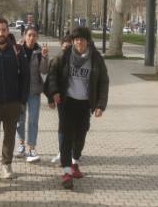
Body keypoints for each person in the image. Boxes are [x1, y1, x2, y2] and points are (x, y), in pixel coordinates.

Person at [45, 27, 109, 189]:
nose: (79, 42)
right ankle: (66, 171)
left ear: (87, 41)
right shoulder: (64, 55)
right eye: (76, 40)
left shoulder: (96, 58)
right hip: (67, 102)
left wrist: (100, 105)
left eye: (82, 39)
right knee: (66, 136)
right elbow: (52, 74)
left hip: (85, 104)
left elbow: (103, 81)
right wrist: (54, 93)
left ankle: (75, 162)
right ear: (72, 41)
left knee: (81, 135)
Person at [0, 18, 29, 191]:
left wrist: (22, 101)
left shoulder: (17, 51)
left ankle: (6, 164)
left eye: (3, 30)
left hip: (13, 102)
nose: (1, 33)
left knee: (9, 136)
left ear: (8, 31)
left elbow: (25, 77)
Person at [14, 25, 48, 162]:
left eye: (34, 35)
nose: (32, 38)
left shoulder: (40, 52)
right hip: (20, 92)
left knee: (33, 120)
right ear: (24, 36)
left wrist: (45, 57)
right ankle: (21, 144)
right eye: (29, 35)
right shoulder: (17, 50)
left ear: (37, 37)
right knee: (19, 121)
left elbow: (44, 71)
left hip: (34, 92)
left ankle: (31, 148)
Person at [50, 35, 72, 164]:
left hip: (77, 99)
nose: (67, 46)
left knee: (75, 126)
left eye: (69, 43)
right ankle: (62, 152)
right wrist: (52, 95)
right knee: (63, 125)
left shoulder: (79, 58)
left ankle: (73, 152)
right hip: (62, 98)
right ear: (61, 44)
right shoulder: (57, 59)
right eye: (65, 43)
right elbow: (51, 79)